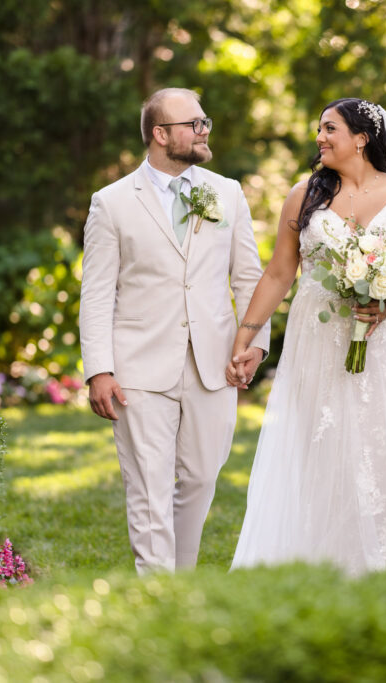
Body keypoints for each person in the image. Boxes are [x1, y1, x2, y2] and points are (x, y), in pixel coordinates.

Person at [227, 98, 386, 573]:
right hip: (319, 343)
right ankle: (325, 567)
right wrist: (247, 338)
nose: (319, 138)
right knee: (323, 455)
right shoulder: (304, 195)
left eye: (330, 129)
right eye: (319, 130)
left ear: (362, 138)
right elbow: (281, 274)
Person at [79, 87, 269, 574]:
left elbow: (248, 276)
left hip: (214, 364)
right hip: (139, 366)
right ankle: (158, 595)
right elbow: (98, 294)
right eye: (194, 124)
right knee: (148, 486)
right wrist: (99, 369)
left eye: (205, 122)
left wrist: (255, 345)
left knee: (202, 478)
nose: (205, 131)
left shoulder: (226, 192)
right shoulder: (112, 203)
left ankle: (178, 585)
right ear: (160, 134)